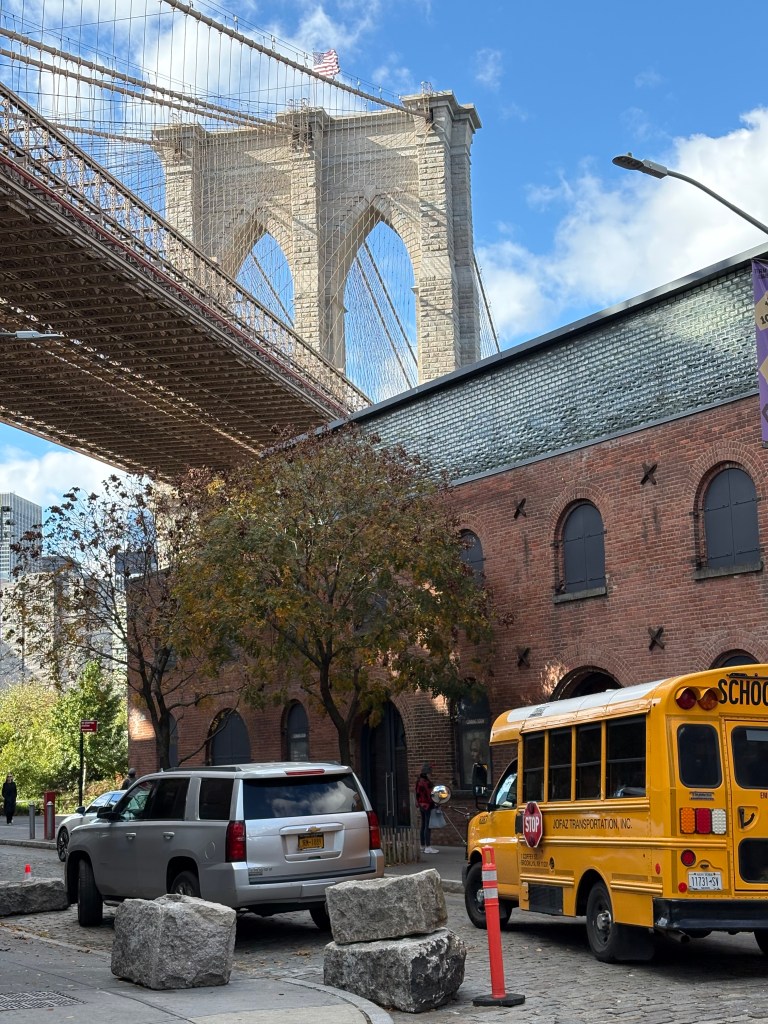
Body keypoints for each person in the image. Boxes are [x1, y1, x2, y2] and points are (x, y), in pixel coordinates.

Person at [415, 762, 438, 854]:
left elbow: (417, 794)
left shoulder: (419, 781)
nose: (431, 774)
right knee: (427, 826)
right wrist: (435, 803)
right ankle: (428, 847)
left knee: (423, 825)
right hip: (427, 805)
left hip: (421, 805)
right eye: (430, 772)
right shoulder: (426, 782)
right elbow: (430, 794)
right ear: (427, 772)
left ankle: (422, 845)